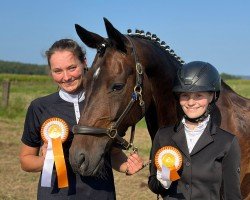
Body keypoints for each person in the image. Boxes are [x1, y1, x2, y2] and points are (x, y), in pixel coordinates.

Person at [19, 38, 143, 200]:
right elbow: (26, 161)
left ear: (84, 62)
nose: (66, 77)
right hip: (56, 195)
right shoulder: (40, 107)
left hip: (100, 194)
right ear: (51, 71)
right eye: (58, 71)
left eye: (72, 68)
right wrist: (48, 160)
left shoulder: (104, 101)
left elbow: (113, 153)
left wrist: (127, 166)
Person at [148, 61, 242, 199]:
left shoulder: (227, 142)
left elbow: (231, 195)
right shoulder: (163, 136)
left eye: (198, 96)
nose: (191, 102)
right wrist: (164, 179)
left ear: (212, 96)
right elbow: (154, 185)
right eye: (185, 95)